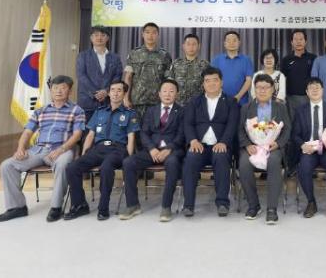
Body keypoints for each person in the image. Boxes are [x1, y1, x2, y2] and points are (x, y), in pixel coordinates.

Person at [0, 76, 86, 222]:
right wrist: (20, 148)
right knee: (7, 165)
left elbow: (77, 135)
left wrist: (61, 149)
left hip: (62, 149)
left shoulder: (77, 110)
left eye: (63, 88)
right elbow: (27, 132)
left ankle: (56, 207)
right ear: (51, 90)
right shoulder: (41, 111)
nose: (59, 91)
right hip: (38, 150)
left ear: (70, 90)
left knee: (63, 164)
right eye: (55, 88)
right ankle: (17, 207)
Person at [64, 81, 138, 221]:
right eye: (113, 90)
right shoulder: (99, 112)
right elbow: (90, 135)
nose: (115, 93)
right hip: (98, 149)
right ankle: (79, 205)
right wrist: (84, 154)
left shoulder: (129, 114)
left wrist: (128, 157)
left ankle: (103, 208)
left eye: (119, 90)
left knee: (106, 167)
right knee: (72, 167)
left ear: (124, 93)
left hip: (117, 149)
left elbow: (131, 137)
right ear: (108, 93)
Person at [120, 79, 185, 222]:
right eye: (165, 91)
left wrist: (169, 149)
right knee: (129, 162)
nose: (168, 94)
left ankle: (166, 207)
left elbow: (182, 135)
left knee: (173, 163)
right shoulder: (151, 111)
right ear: (159, 94)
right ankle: (133, 205)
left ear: (177, 94)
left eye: (171, 91)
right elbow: (144, 132)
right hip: (152, 150)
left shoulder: (182, 111)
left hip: (172, 150)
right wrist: (151, 149)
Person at [181, 67, 239, 217]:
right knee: (190, 159)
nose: (211, 83)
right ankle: (188, 205)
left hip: (220, 145)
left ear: (221, 82)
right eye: (207, 81)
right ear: (203, 84)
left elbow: (232, 125)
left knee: (221, 158)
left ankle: (222, 203)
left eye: (215, 80)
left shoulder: (231, 102)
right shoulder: (194, 102)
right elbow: (188, 124)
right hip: (199, 145)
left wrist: (224, 142)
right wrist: (193, 140)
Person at [238, 74, 291, 224]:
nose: (262, 90)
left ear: (272, 89)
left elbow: (287, 129)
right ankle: (254, 205)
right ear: (254, 90)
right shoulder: (246, 108)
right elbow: (240, 130)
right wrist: (247, 145)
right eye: (259, 87)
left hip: (273, 146)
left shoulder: (280, 107)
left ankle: (272, 209)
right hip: (252, 146)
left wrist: (278, 143)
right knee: (244, 164)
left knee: (274, 162)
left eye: (266, 87)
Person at [291, 77, 326, 219]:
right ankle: (311, 202)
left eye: (317, 87)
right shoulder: (300, 110)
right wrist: (302, 145)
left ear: (323, 90)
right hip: (309, 149)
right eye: (311, 88)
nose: (314, 90)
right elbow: (294, 134)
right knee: (304, 167)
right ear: (307, 92)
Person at [123, 22, 172, 131]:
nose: (150, 35)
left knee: (155, 132)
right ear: (142, 34)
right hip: (137, 101)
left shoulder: (165, 55)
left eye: (154, 33)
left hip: (157, 102)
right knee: (135, 132)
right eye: (147, 32)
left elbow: (168, 80)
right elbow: (128, 77)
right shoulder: (134, 53)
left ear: (158, 35)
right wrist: (125, 98)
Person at [281, 30, 316, 172]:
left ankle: (309, 165)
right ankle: (291, 166)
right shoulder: (286, 60)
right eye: (296, 39)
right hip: (291, 100)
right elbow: (282, 81)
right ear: (291, 42)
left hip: (309, 100)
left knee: (308, 131)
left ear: (305, 41)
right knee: (292, 132)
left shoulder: (313, 58)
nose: (298, 41)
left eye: (301, 39)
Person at [76, 25, 123, 122]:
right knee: (86, 130)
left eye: (103, 35)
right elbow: (81, 76)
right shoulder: (83, 56)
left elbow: (117, 76)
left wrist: (106, 91)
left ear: (107, 38)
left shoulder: (115, 57)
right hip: (87, 101)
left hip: (108, 101)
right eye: (96, 35)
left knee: (107, 129)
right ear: (91, 38)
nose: (99, 38)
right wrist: (96, 93)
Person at [164, 33, 209, 107]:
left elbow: (208, 85)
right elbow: (170, 83)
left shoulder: (205, 65)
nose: (191, 47)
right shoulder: (176, 63)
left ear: (199, 46)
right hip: (178, 105)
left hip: (197, 105)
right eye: (188, 44)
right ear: (183, 46)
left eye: (194, 44)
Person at [211, 30, 254, 105]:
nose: (231, 43)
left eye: (234, 40)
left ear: (239, 43)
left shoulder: (246, 60)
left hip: (241, 101)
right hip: (220, 100)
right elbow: (213, 80)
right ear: (224, 44)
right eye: (228, 41)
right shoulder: (216, 60)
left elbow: (248, 81)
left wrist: (238, 97)